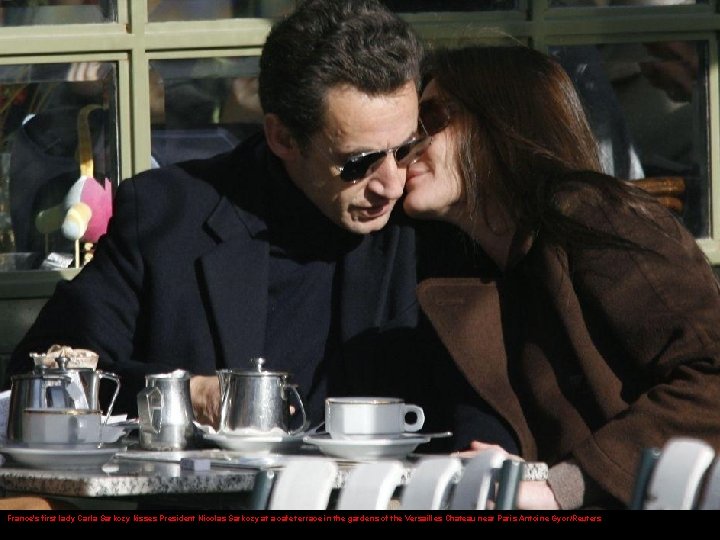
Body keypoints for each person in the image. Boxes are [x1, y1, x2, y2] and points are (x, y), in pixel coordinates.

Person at [4, 0, 428, 429]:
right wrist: (183, 396)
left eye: (407, 148)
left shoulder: (427, 218)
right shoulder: (168, 215)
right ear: (282, 137)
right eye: (358, 163)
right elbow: (42, 376)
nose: (391, 183)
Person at [404, 45, 720, 509]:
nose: (409, 144)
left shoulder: (591, 213)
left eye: (429, 118)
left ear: (499, 120)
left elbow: (713, 375)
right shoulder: (481, 265)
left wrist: (563, 486)